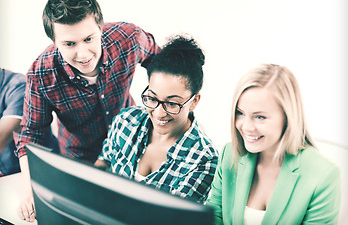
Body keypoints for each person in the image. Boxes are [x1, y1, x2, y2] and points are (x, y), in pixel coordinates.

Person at [16, 0, 159, 222]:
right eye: (69, 44)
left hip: (134, 149)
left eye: (89, 39)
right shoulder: (41, 74)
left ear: (100, 28)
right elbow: (30, 135)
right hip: (80, 161)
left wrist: (160, 109)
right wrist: (29, 189)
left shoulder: (128, 38)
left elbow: (160, 61)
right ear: (54, 41)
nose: (83, 54)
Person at [206, 64, 341, 224]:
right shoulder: (230, 154)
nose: (246, 127)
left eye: (260, 117)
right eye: (240, 113)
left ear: (288, 117)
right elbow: (212, 218)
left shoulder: (323, 175)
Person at [95, 35, 219, 203]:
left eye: (172, 103)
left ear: (194, 101)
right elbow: (103, 164)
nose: (159, 113)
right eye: (152, 99)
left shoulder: (203, 160)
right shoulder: (126, 121)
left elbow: (175, 218)